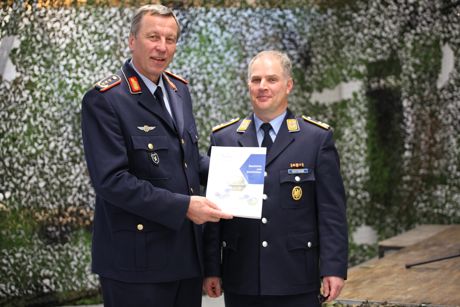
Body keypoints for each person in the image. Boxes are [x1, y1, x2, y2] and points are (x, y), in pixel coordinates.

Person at [81, 5, 232, 307]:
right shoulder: (105, 100)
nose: (162, 47)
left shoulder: (179, 91)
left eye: (170, 39)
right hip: (136, 263)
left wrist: (239, 173)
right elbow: (112, 181)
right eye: (153, 37)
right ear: (132, 40)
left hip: (184, 259)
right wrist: (185, 207)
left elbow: (187, 160)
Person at [203, 50, 348, 307]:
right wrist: (212, 268)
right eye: (256, 80)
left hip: (296, 276)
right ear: (248, 85)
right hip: (242, 278)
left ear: (288, 85)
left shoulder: (315, 139)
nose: (262, 87)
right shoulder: (224, 139)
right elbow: (214, 214)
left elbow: (331, 211)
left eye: (272, 79)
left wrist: (333, 267)